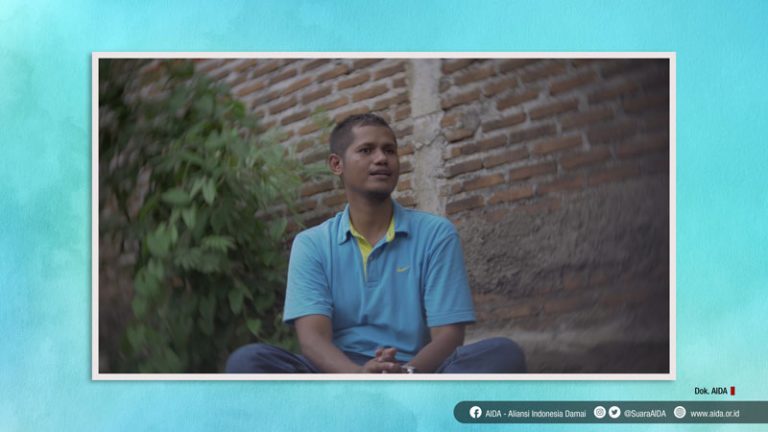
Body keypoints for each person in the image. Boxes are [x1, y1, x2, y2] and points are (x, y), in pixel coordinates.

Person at [226, 113, 526, 373]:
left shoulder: (436, 234)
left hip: (416, 374)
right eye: (366, 150)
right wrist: (359, 377)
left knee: (503, 353)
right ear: (336, 164)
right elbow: (313, 339)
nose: (382, 158)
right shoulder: (312, 244)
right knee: (248, 362)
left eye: (389, 150)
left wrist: (405, 375)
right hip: (339, 377)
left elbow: (448, 336)